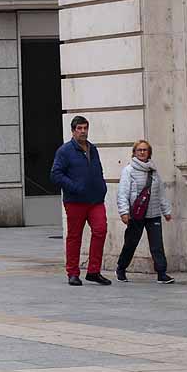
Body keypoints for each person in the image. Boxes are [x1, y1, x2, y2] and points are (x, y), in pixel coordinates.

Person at [50, 115, 110, 286]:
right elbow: (55, 175)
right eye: (79, 128)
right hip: (75, 201)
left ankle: (93, 271)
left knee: (100, 230)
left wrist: (102, 186)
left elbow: (98, 170)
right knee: (74, 237)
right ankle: (73, 273)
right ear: (73, 130)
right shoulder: (64, 151)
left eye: (85, 128)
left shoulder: (93, 149)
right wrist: (75, 187)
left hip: (96, 200)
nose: (83, 131)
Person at [115, 140, 174, 284]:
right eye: (139, 150)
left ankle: (161, 273)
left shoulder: (153, 170)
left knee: (157, 245)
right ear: (134, 153)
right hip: (136, 214)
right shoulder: (128, 170)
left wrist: (166, 211)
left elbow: (160, 192)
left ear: (149, 153)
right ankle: (121, 268)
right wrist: (124, 212)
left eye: (145, 150)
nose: (142, 152)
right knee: (131, 243)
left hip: (153, 214)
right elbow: (122, 193)